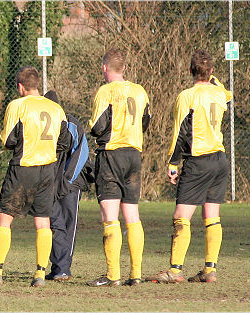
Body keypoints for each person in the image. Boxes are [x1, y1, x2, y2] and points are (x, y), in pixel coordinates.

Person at [0, 67, 71, 287]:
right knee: (43, 220)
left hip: (22, 167)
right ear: (37, 85)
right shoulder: (56, 108)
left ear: (20, 86)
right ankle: (39, 274)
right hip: (47, 169)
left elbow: (8, 140)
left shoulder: (17, 105)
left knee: (4, 217)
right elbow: (64, 141)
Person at [146, 50, 230, 284]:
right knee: (212, 216)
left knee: (181, 217)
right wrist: (213, 79)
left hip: (198, 160)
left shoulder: (187, 96)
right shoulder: (219, 93)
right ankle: (210, 269)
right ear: (211, 72)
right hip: (220, 160)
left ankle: (174, 271)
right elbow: (229, 96)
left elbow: (180, 132)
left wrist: (173, 163)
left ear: (190, 71)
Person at [86, 48, 151, 287]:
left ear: (105, 68)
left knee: (110, 216)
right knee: (132, 215)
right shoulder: (140, 91)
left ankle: (113, 275)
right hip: (134, 155)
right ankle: (136, 275)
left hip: (111, 155)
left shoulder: (106, 91)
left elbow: (97, 126)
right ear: (123, 68)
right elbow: (146, 121)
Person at [42, 90, 94, 282]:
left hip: (71, 182)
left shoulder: (71, 123)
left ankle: (63, 268)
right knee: (54, 223)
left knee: (68, 224)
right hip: (50, 181)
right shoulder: (45, 122)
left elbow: (82, 153)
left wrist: (67, 180)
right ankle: (59, 267)